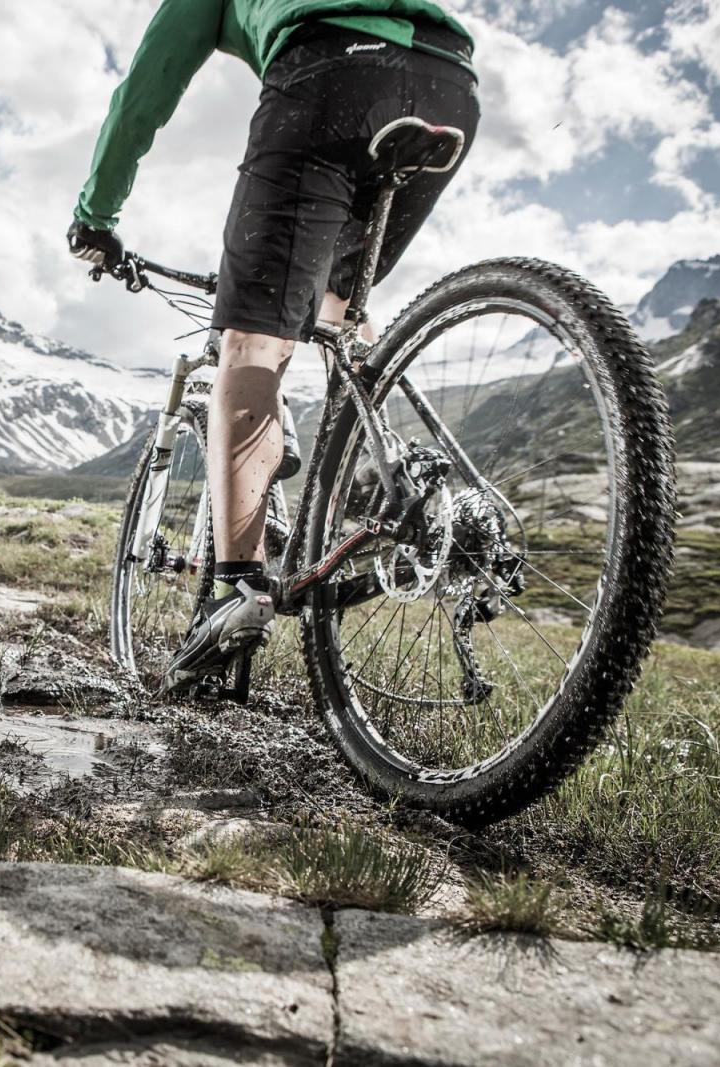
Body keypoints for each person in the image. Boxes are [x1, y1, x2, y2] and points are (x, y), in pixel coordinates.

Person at [68, 0, 478, 693]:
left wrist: (95, 217)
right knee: (337, 311)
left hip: (332, 76)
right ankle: (393, 487)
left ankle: (237, 588)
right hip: (451, 85)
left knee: (253, 337)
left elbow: (145, 91)